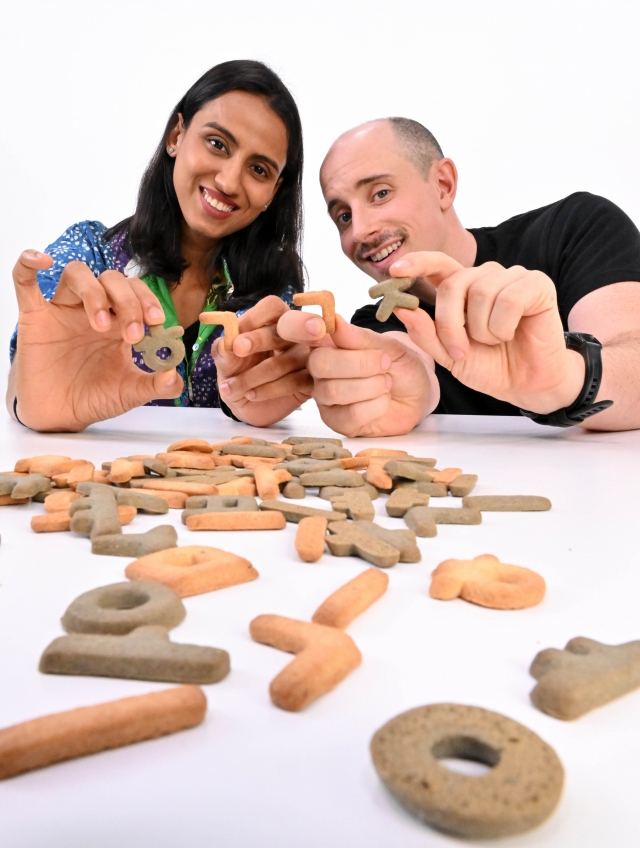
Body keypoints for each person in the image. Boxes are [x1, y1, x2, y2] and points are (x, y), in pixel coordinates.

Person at [278, 118, 640, 436]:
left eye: (380, 193)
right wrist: (395, 386)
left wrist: (561, 381)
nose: (360, 230)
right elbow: (408, 363)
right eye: (343, 216)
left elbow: (633, 353)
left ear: (443, 185)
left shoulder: (574, 229)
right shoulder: (380, 319)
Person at [7, 60, 315, 432]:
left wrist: (254, 401)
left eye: (259, 169)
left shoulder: (274, 291)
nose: (229, 181)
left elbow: (257, 406)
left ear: (274, 192)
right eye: (217, 144)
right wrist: (33, 404)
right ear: (176, 136)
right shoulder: (88, 254)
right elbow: (24, 387)